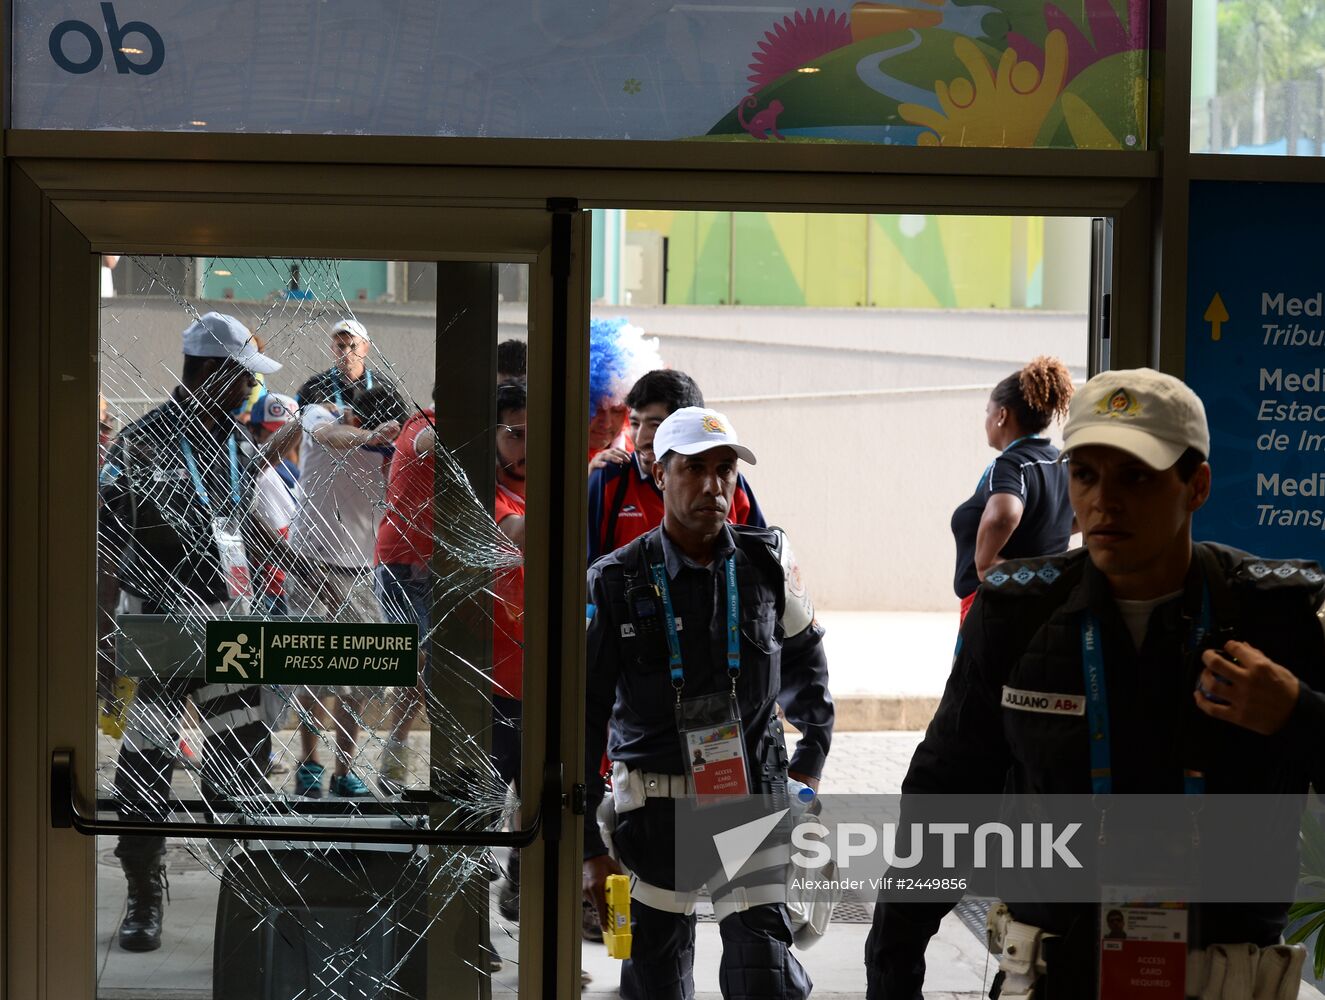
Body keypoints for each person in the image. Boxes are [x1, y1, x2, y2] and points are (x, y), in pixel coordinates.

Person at [865, 369, 1325, 999]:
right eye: (1085, 474)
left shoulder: (1275, 618)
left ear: (1197, 485)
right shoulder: (1019, 616)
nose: (1105, 500)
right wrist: (894, 967)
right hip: (1053, 980)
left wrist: (1297, 713)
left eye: (1136, 475)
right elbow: (949, 797)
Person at [583, 406, 833, 1000]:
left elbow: (809, 666)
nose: (713, 485)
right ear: (658, 472)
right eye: (694, 469)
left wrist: (805, 768)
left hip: (747, 803)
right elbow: (585, 715)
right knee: (655, 985)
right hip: (652, 815)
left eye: (724, 470)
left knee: (763, 979)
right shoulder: (614, 580)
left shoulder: (768, 563)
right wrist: (591, 849)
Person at [98, 312, 282, 952]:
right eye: (242, 380)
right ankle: (144, 894)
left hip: (228, 628)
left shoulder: (234, 443)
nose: (250, 392)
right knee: (144, 765)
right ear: (209, 372)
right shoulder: (142, 442)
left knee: (243, 753)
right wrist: (109, 648)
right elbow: (105, 537)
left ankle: (247, 889)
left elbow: (246, 525)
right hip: (156, 634)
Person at [286, 381, 405, 798]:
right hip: (308, 566)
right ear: (352, 415)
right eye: (366, 428)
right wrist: (370, 437)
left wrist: (389, 444)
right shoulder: (323, 419)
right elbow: (328, 435)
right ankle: (308, 763)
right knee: (311, 672)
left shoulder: (393, 450)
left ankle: (345, 768)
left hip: (361, 573)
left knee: (358, 675)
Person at [587, 370, 765, 564]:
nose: (640, 439)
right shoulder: (609, 477)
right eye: (635, 423)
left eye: (656, 425)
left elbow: (761, 562)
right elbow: (583, 572)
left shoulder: (730, 483)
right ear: (660, 475)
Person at [950, 356, 1074, 623]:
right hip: (1044, 606)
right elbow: (1078, 515)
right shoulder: (1061, 461)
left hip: (997, 610)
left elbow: (1003, 515)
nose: (986, 420)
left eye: (988, 412)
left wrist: (984, 564)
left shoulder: (1011, 465)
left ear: (1002, 415)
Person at [586, 317, 662, 472]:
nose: (606, 423)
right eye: (596, 409)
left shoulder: (640, 454)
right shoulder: (544, 453)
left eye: (617, 410)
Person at [295, 317, 408, 417]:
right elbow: (293, 425)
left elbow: (404, 429)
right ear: (332, 349)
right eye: (340, 346)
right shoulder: (315, 388)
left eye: (353, 346)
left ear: (365, 348)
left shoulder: (383, 387)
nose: (346, 353)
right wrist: (313, 413)